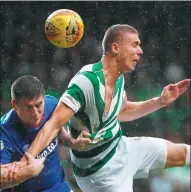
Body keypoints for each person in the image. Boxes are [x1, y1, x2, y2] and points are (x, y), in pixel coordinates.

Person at [7, 25, 191, 192]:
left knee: (184, 153)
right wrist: (26, 160)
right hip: (100, 175)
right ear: (115, 48)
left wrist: (160, 101)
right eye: (135, 45)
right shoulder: (86, 82)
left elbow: (122, 111)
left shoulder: (119, 78)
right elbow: (54, 124)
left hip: (122, 147)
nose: (140, 51)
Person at [0, 75, 83, 192]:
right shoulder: (4, 132)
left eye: (39, 105)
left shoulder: (52, 104)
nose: (35, 113)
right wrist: (29, 172)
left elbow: (59, 135)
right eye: (28, 107)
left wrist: (73, 142)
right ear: (14, 105)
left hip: (59, 187)